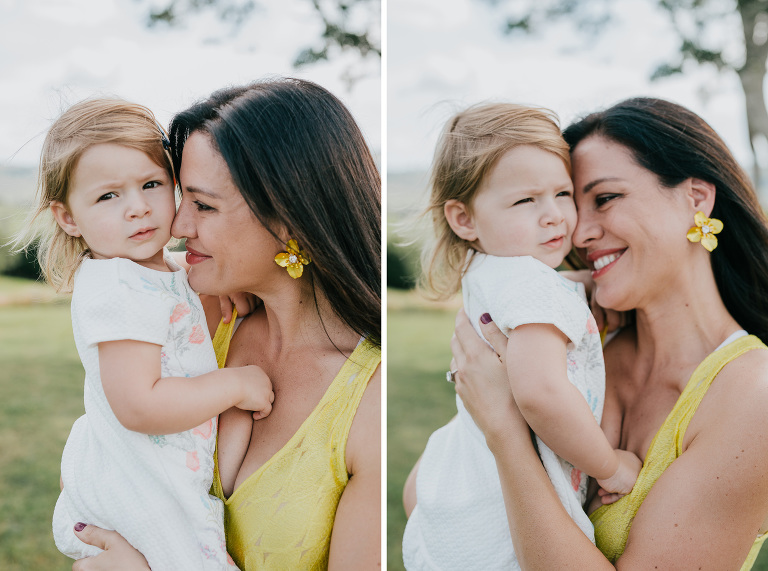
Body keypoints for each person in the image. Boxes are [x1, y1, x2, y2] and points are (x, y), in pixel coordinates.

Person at [66, 78, 382, 571]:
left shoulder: (370, 402)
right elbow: (112, 453)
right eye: (181, 197)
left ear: (292, 219)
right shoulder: (203, 316)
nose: (176, 226)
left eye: (204, 205)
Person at [450, 97, 768, 570]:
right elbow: (421, 494)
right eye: (573, 203)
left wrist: (505, 431)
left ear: (696, 199)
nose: (577, 234)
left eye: (605, 199)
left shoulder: (751, 396)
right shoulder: (579, 349)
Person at [12, 98, 275, 569]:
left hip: (153, 472)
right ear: (68, 216)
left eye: (151, 184)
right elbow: (140, 405)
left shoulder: (153, 274)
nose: (137, 208)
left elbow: (178, 293)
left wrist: (226, 287)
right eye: (108, 196)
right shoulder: (117, 286)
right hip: (140, 485)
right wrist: (234, 385)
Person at [401, 103, 641, 571]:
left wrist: (586, 286)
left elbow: (543, 298)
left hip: (464, 476)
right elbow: (541, 393)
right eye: (525, 201)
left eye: (562, 193)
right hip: (502, 517)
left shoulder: (491, 269)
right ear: (463, 219)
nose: (553, 216)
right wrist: (609, 467)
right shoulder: (532, 285)